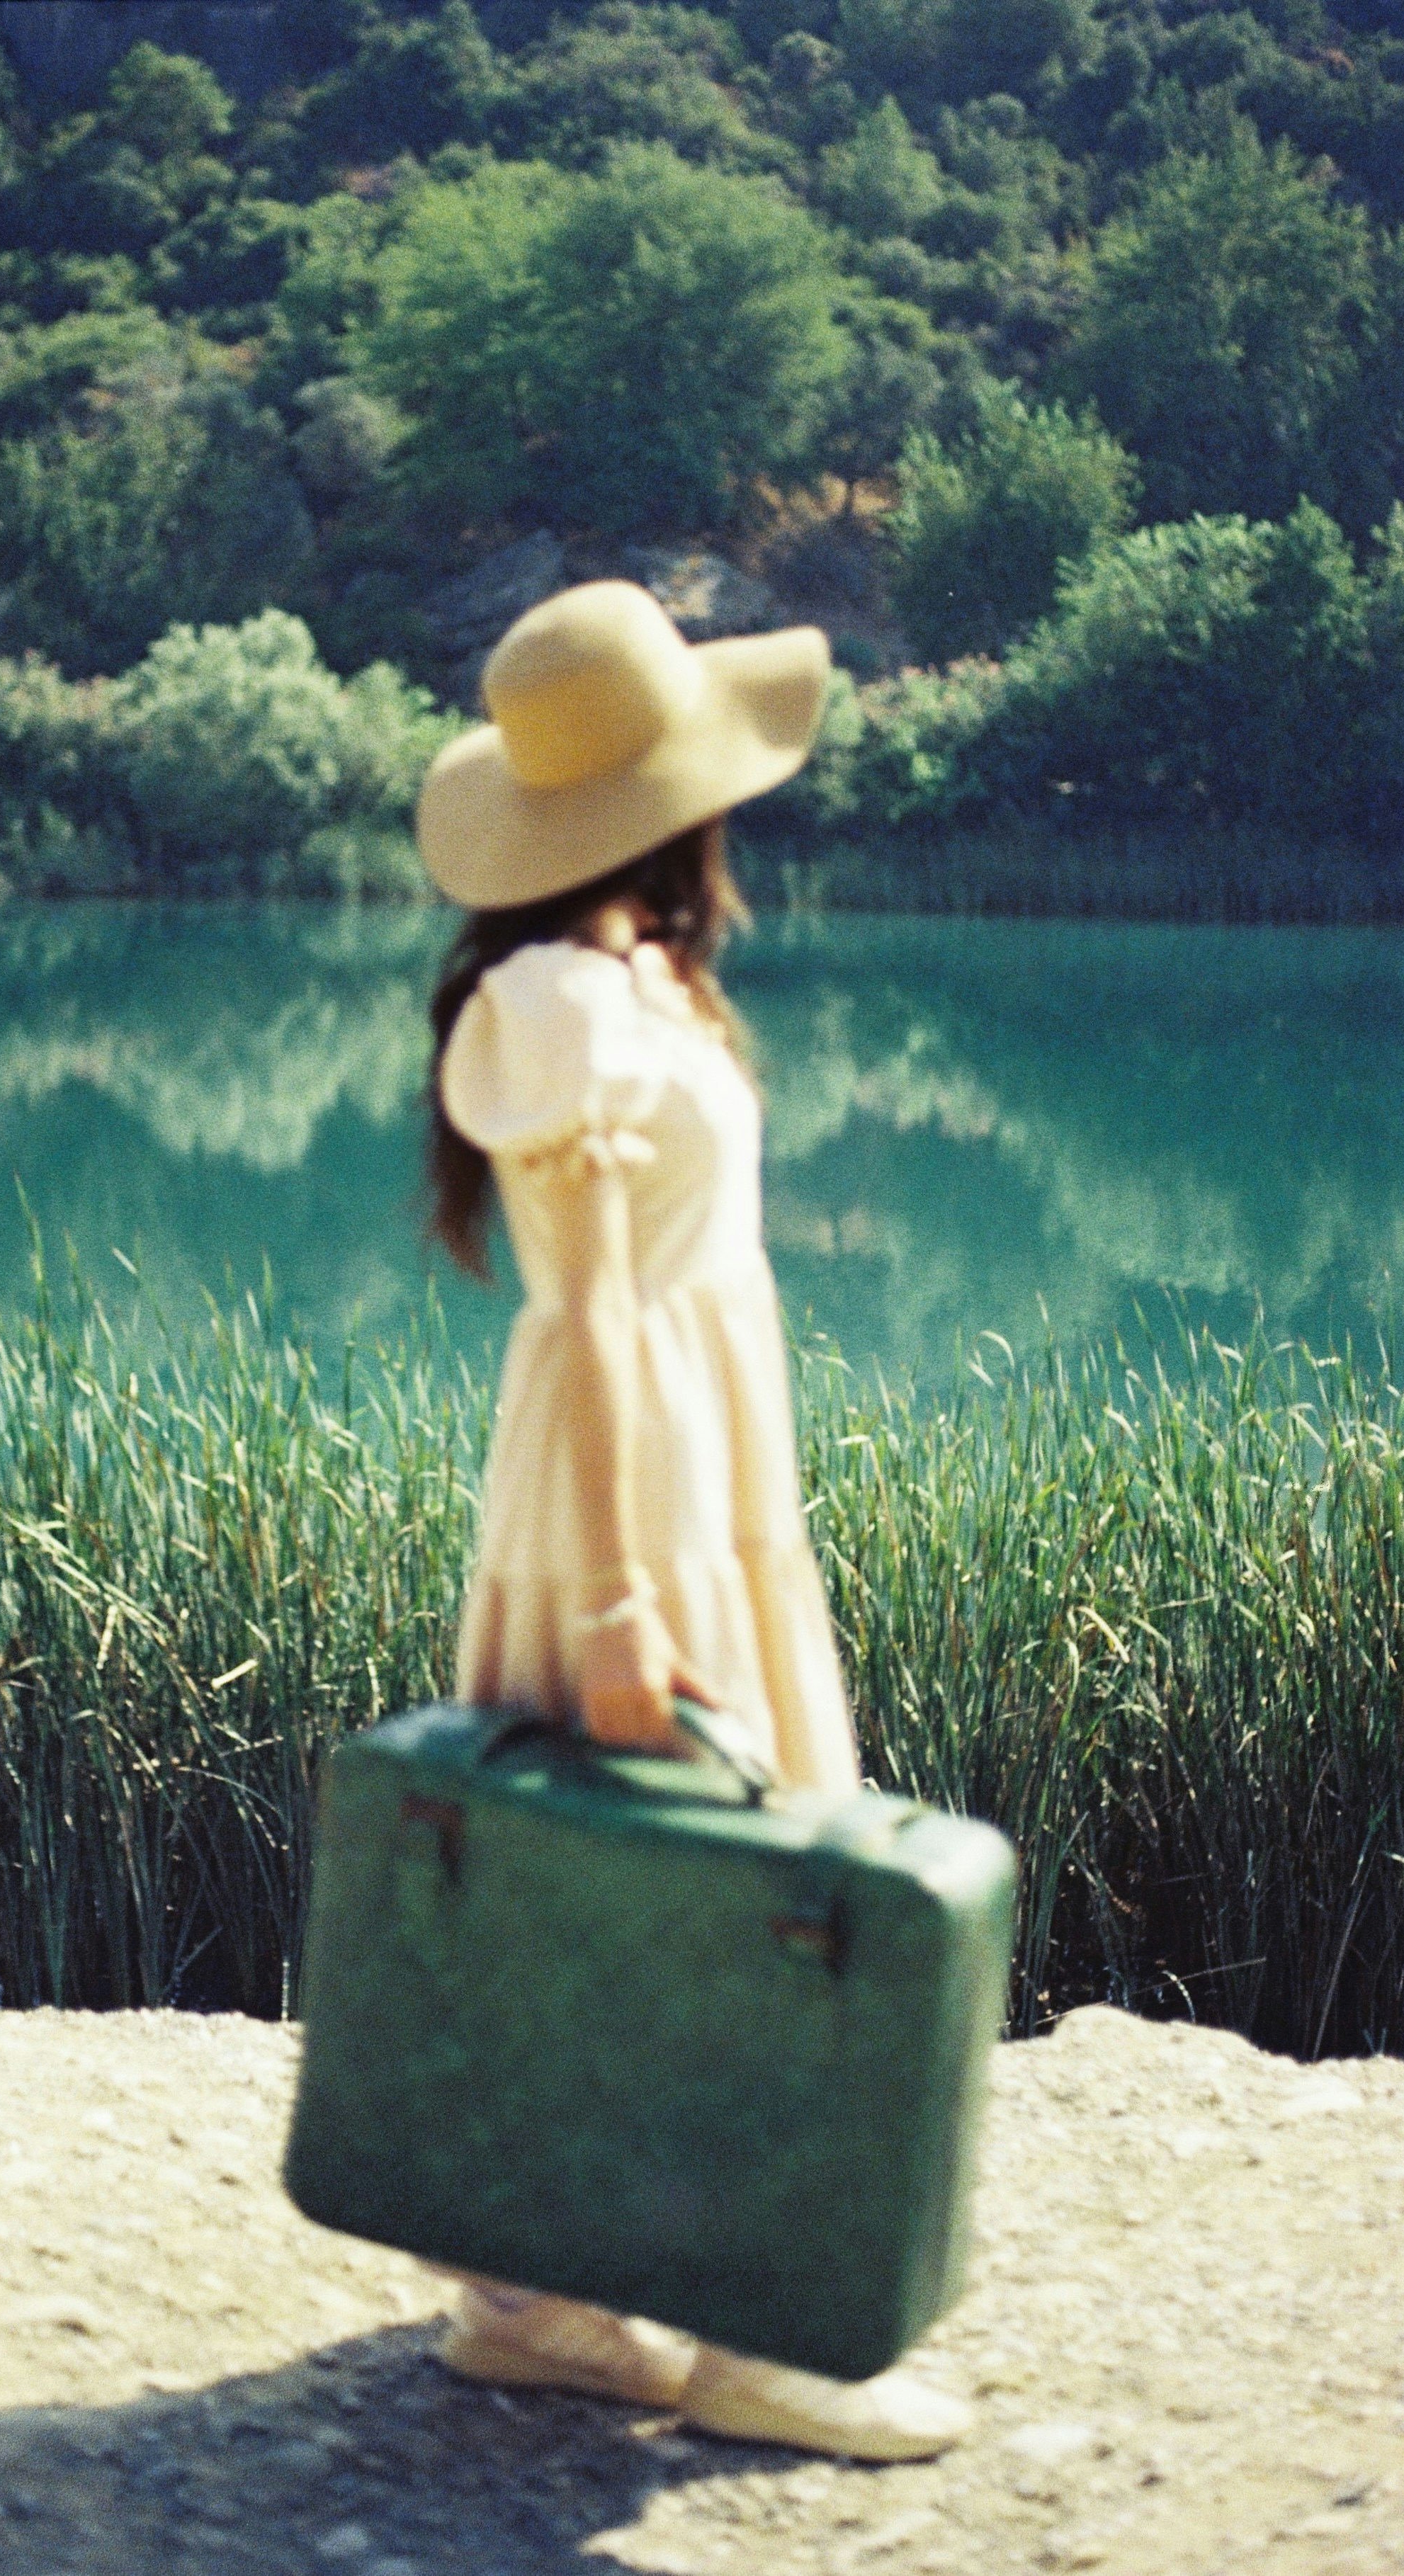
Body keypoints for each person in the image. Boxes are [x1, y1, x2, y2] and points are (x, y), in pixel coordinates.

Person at [416, 579, 969, 2462]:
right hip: (625, 1476)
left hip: (690, 1451)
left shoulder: (625, 972)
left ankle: (540, 2300)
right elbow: (579, 1316)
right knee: (695, 1890)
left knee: (648, 1872)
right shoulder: (558, 1000)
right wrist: (621, 1605)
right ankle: (722, 2328)